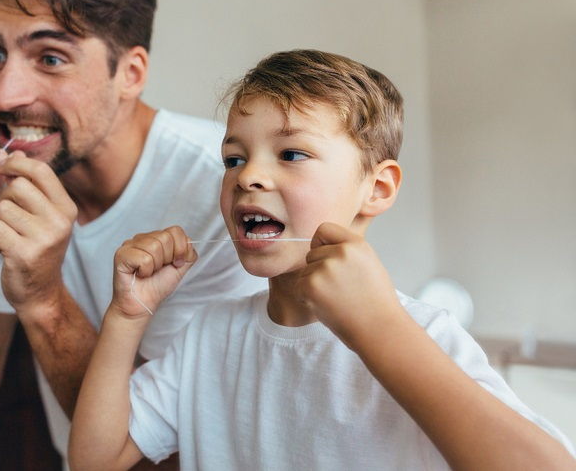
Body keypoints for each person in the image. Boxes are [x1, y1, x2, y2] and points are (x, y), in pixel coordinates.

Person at [68, 49, 576, 470]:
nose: (247, 177)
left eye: (290, 154)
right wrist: (127, 316)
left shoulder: (423, 333)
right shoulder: (208, 337)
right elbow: (96, 460)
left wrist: (378, 330)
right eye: (234, 159)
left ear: (376, 188)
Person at [0, 0, 265, 467]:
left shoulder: (229, 193)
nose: (3, 97)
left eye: (50, 58)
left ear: (131, 74)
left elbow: (172, 458)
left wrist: (43, 300)